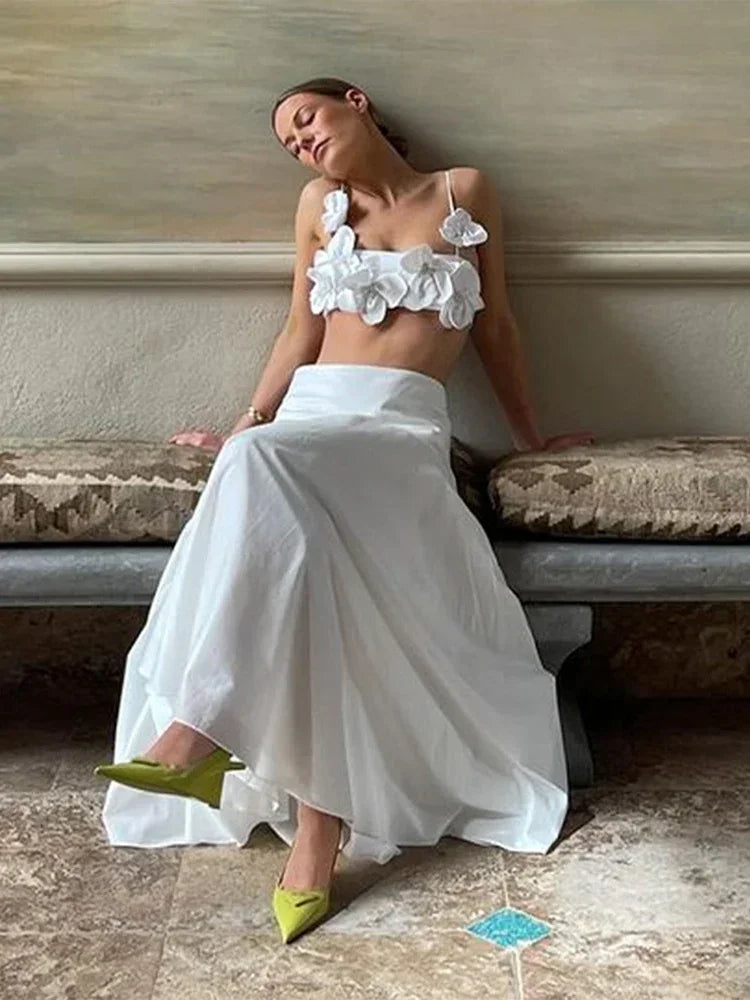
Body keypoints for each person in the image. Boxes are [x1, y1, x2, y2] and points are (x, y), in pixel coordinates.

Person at [94, 76, 596, 945]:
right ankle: (316, 834)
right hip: (309, 424)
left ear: (355, 103)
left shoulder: (463, 192)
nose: (301, 143)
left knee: (272, 480)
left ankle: (203, 731)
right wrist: (245, 424)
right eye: (288, 141)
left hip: (398, 432)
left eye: (307, 121)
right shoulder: (318, 206)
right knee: (279, 501)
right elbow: (299, 327)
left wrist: (532, 438)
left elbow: (499, 329)